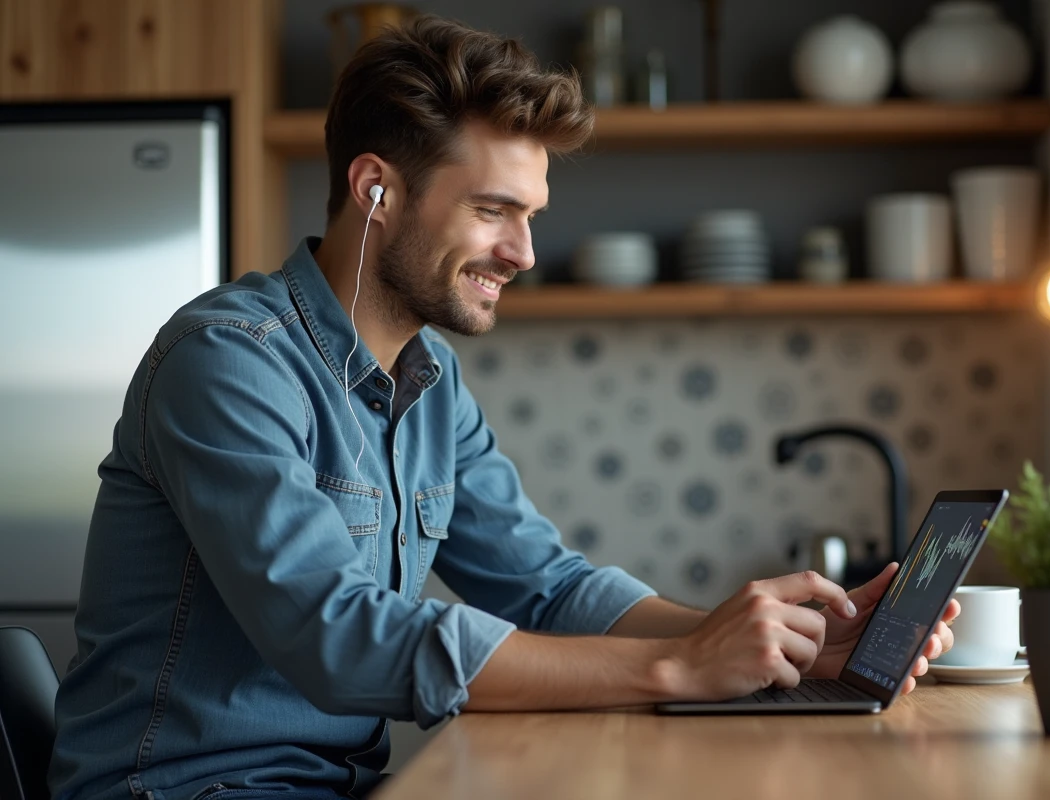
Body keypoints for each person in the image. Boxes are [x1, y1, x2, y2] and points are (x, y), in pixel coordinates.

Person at [48, 16, 957, 800]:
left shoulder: (429, 381)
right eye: (494, 210)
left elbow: (550, 586)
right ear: (376, 190)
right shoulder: (230, 362)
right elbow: (335, 635)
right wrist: (678, 666)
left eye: (531, 214)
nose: (523, 252)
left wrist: (778, 645)